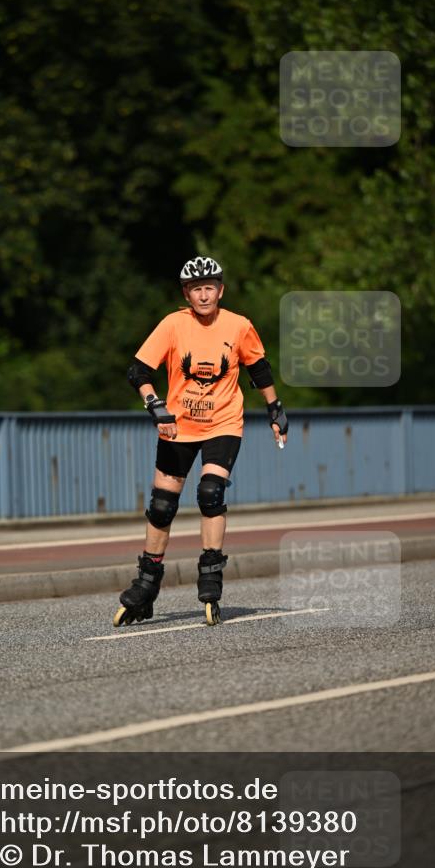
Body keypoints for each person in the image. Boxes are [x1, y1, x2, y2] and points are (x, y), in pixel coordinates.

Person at [113, 255, 288, 627]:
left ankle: (210, 578)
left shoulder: (239, 326)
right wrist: (154, 404)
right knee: (162, 506)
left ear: (221, 290)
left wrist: (275, 410)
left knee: (210, 493)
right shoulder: (174, 325)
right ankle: (146, 584)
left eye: (210, 288)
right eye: (196, 290)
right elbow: (138, 370)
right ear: (186, 294)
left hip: (223, 423)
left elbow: (258, 368)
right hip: (177, 426)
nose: (204, 295)